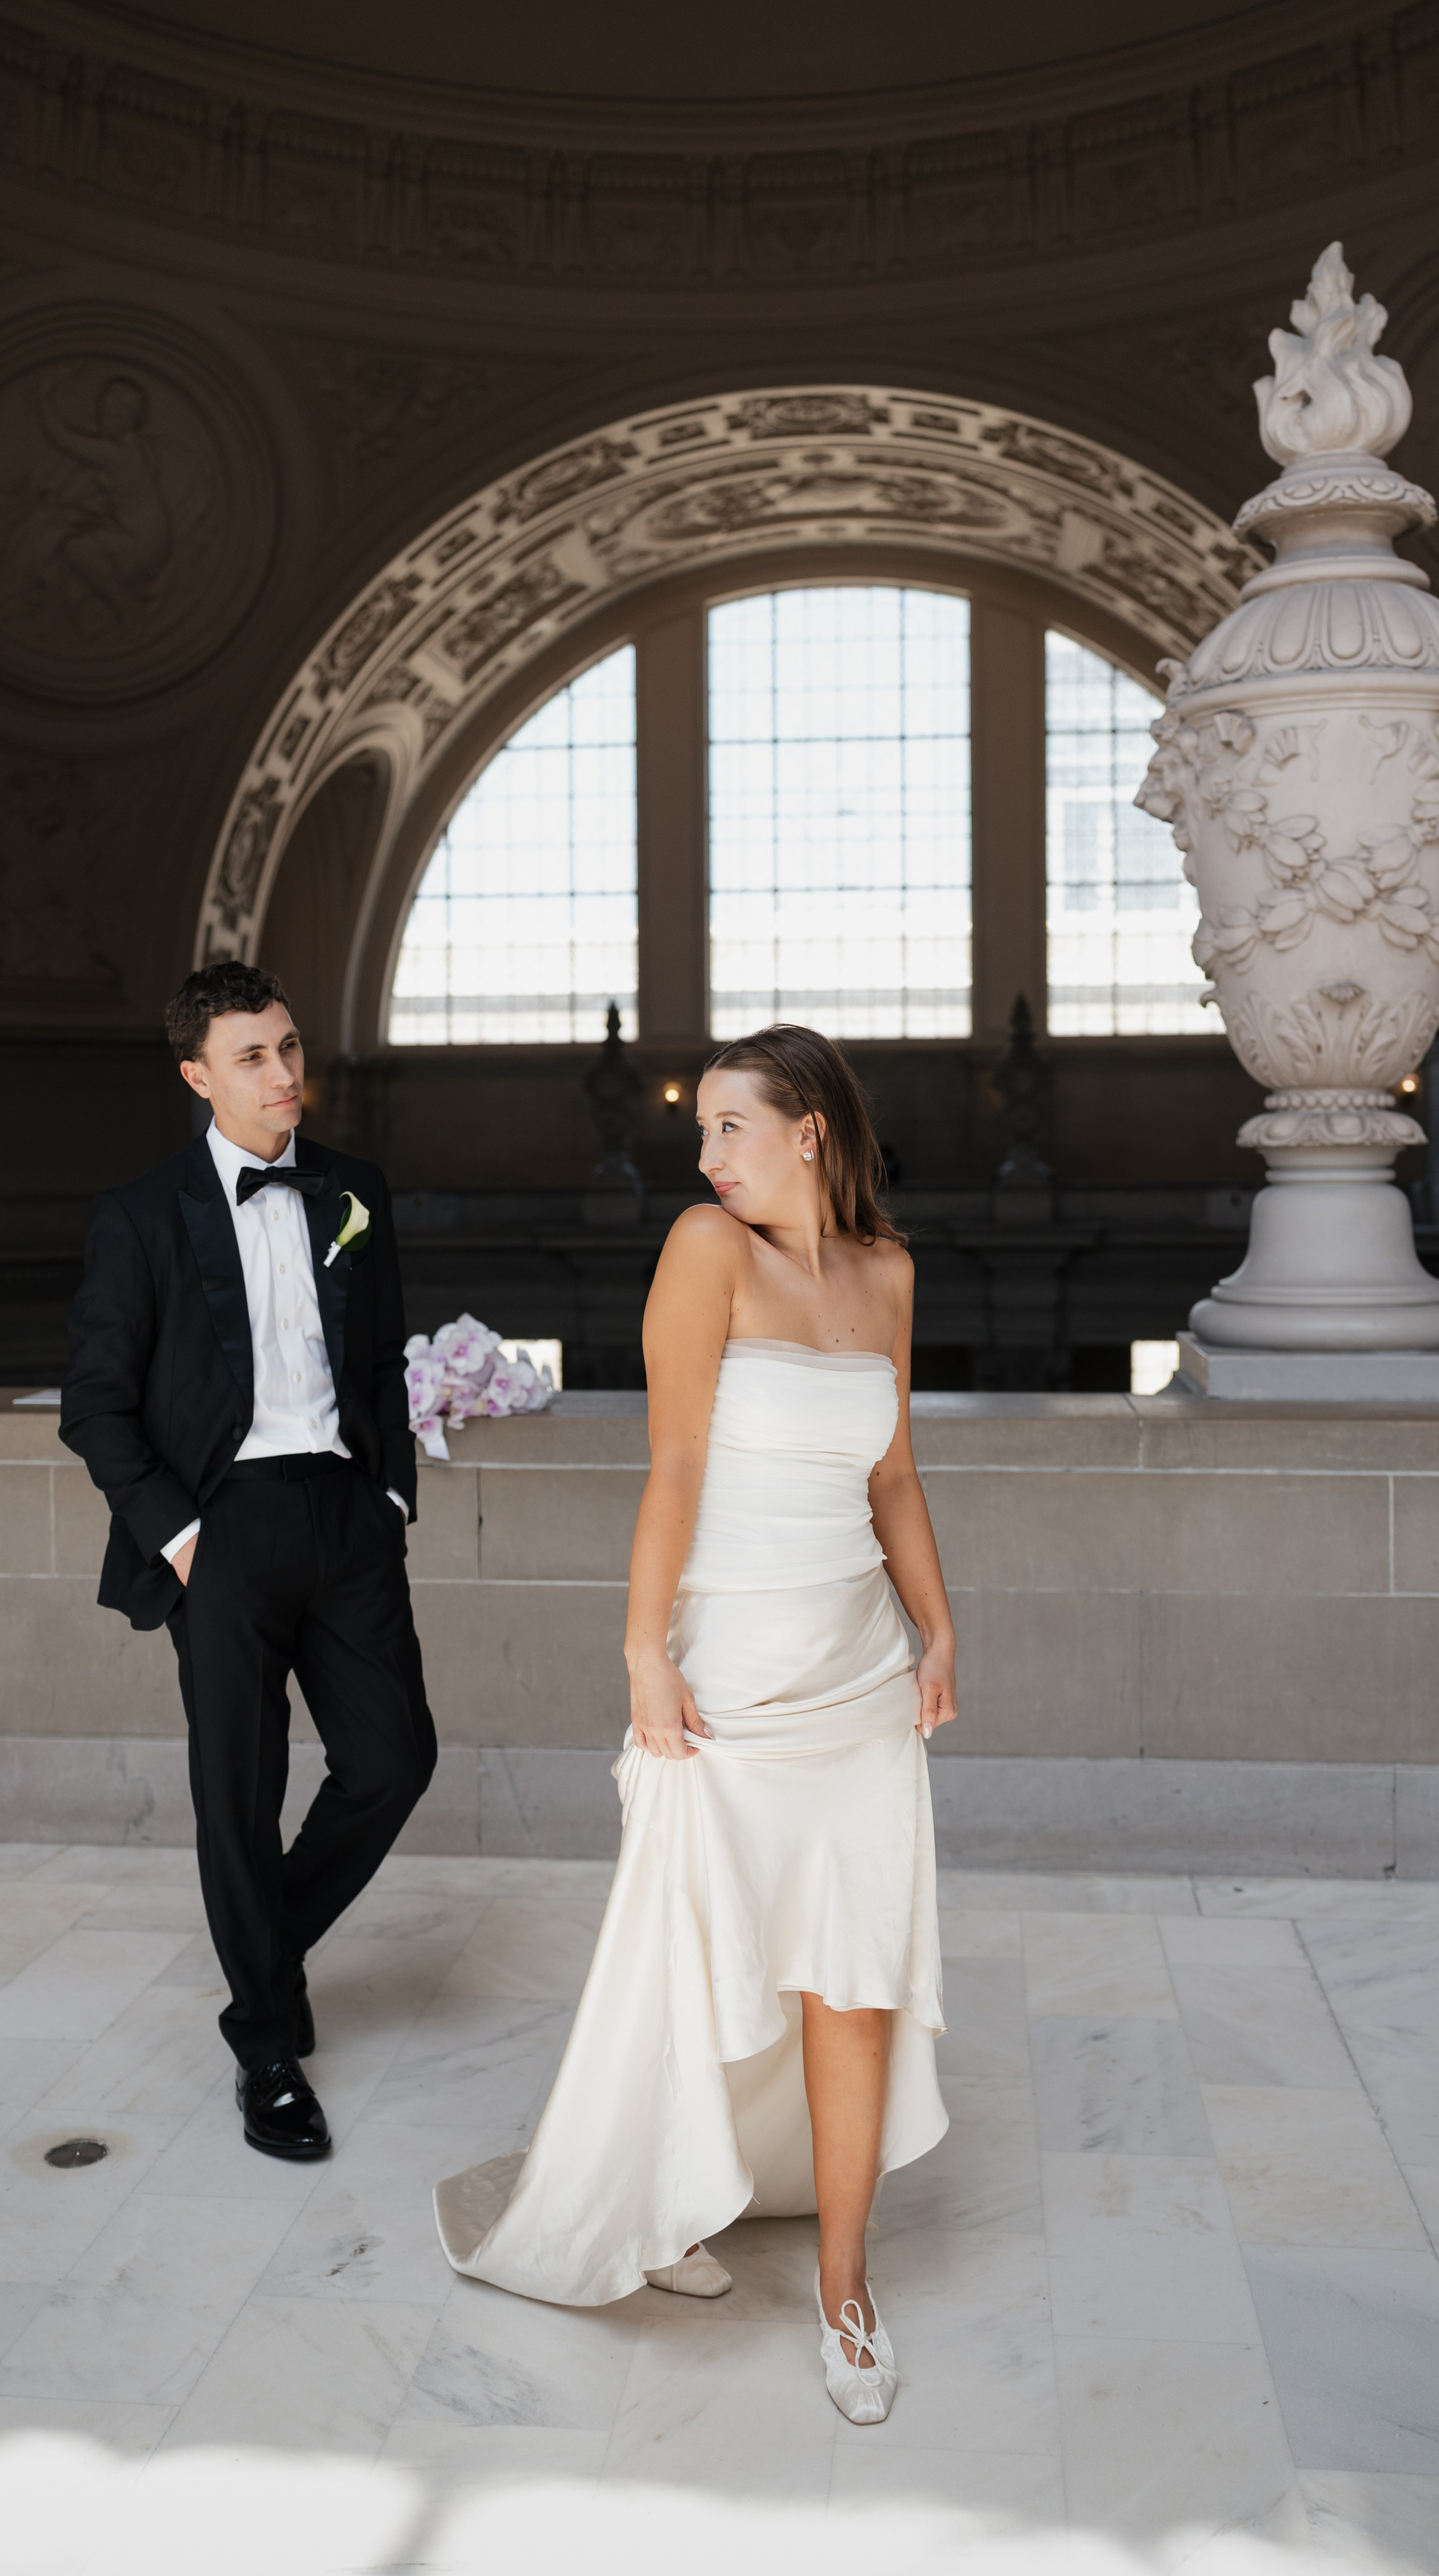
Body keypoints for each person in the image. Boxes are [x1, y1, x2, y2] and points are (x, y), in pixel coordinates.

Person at [435, 1024, 960, 2426]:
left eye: (733, 1128)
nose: (707, 1155)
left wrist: (941, 1626)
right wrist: (640, 1655)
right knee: (700, 1965)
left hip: (856, 1680)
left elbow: (894, 1475)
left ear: (812, 1131)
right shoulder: (704, 1252)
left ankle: (847, 2291)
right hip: (727, 1677)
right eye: (703, 1132)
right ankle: (660, 2204)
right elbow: (671, 1463)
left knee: (853, 1983)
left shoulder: (890, 1272)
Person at [61, 961, 435, 2161]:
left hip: (343, 1512)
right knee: (241, 1784)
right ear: (196, 1076)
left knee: (393, 1758)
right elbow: (96, 1405)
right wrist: (179, 1537)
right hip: (217, 1531)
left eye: (288, 1047)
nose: (284, 1075)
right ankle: (267, 2045)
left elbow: (380, 1360)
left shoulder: (352, 1191)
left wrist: (388, 1491)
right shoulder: (140, 1214)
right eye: (253, 1058)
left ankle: (261, 1952)